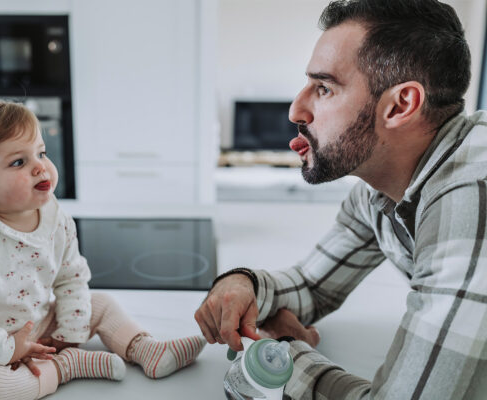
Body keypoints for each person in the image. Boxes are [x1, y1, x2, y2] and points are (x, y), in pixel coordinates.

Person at [195, 0, 487, 398]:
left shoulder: (472, 194)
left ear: (400, 105)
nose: (296, 109)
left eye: (324, 88)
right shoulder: (381, 190)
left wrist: (285, 355)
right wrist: (243, 284)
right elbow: (313, 287)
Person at [0, 100, 206, 400]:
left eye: (41, 152)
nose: (40, 166)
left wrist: (70, 334)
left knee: (100, 304)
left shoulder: (55, 217)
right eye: (18, 162)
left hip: (36, 322)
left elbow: (70, 277)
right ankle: (65, 368)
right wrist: (7, 349)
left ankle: (145, 348)